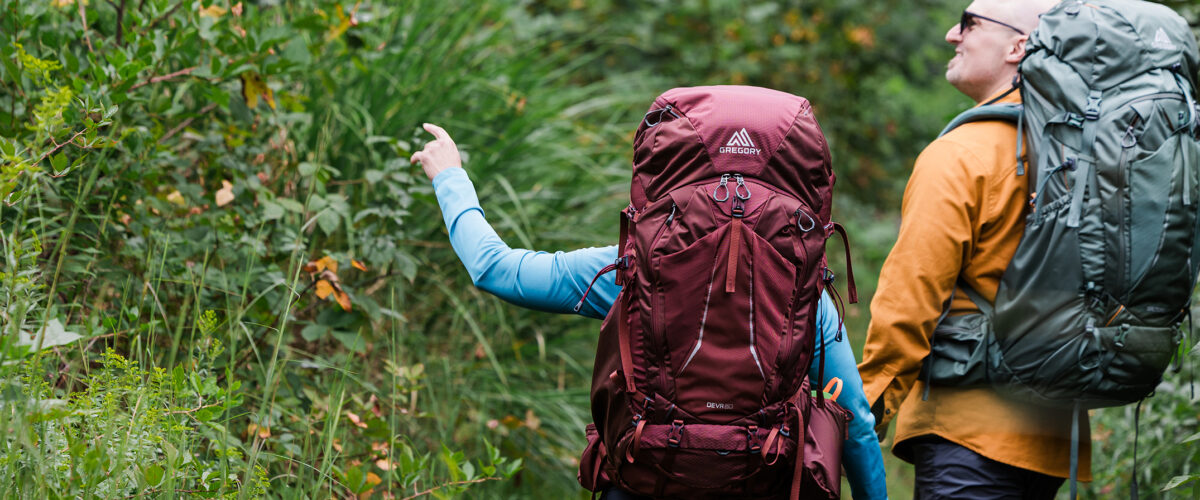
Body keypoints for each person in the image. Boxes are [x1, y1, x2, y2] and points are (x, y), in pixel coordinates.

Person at [411, 122, 888, 499]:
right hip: (765, 478)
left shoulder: (628, 271)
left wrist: (451, 177)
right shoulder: (800, 292)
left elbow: (496, 269)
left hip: (645, 478)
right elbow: (859, 426)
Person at [856, 0, 1082, 498]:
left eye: (970, 24)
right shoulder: (1080, 155)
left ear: (1017, 46)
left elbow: (911, 297)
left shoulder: (962, 154)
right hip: (1052, 434)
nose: (952, 35)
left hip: (966, 434)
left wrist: (863, 410)